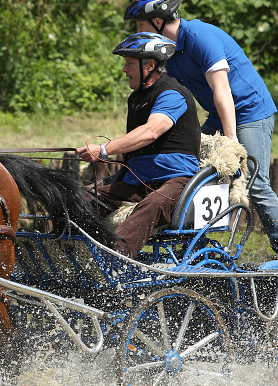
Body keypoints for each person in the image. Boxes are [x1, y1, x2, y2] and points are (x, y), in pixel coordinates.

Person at [124, 0, 278, 260]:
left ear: (158, 21)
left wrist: (231, 141)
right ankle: (192, 242)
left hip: (250, 110)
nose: (138, 30)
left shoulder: (200, 38)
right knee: (187, 164)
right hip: (219, 113)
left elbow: (222, 90)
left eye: (140, 23)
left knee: (253, 179)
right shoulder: (168, 52)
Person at [76, 32, 201, 259]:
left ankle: (114, 259)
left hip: (177, 181)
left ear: (150, 65)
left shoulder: (172, 93)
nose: (124, 69)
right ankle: (71, 252)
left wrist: (104, 150)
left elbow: (151, 131)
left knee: (152, 204)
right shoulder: (135, 98)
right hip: (139, 181)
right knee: (79, 198)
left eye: (130, 63)